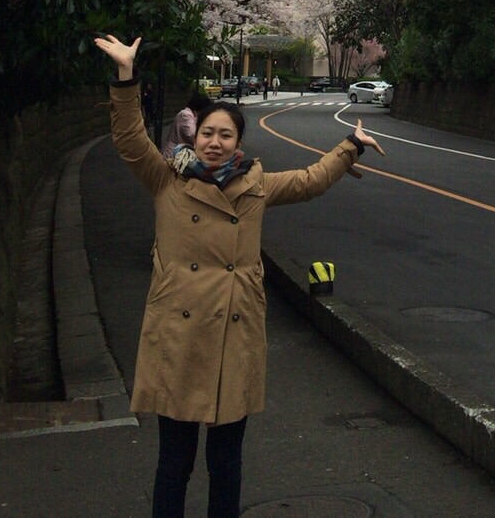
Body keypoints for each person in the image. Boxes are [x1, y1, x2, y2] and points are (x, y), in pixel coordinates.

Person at [93, 32, 383, 518]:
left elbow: (309, 181)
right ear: (194, 137)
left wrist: (350, 145)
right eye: (208, 133)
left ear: (237, 145)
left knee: (226, 463)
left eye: (225, 135)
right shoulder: (167, 180)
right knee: (174, 462)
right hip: (178, 338)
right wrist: (126, 76)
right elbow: (129, 140)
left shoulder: (256, 186)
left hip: (234, 335)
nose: (214, 142)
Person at [161, 91, 211, 160]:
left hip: (180, 154)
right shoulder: (185, 115)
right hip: (173, 154)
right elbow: (191, 135)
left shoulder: (193, 116)